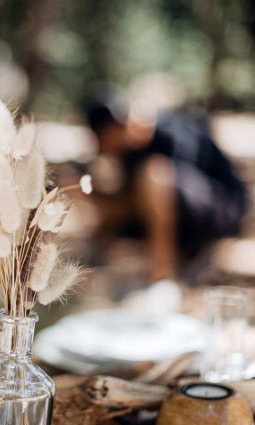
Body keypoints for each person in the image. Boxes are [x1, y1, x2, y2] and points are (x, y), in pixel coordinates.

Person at [85, 91, 247, 285]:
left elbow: (185, 175)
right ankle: (99, 257)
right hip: (187, 212)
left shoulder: (167, 128)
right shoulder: (127, 151)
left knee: (154, 176)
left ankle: (162, 274)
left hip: (221, 208)